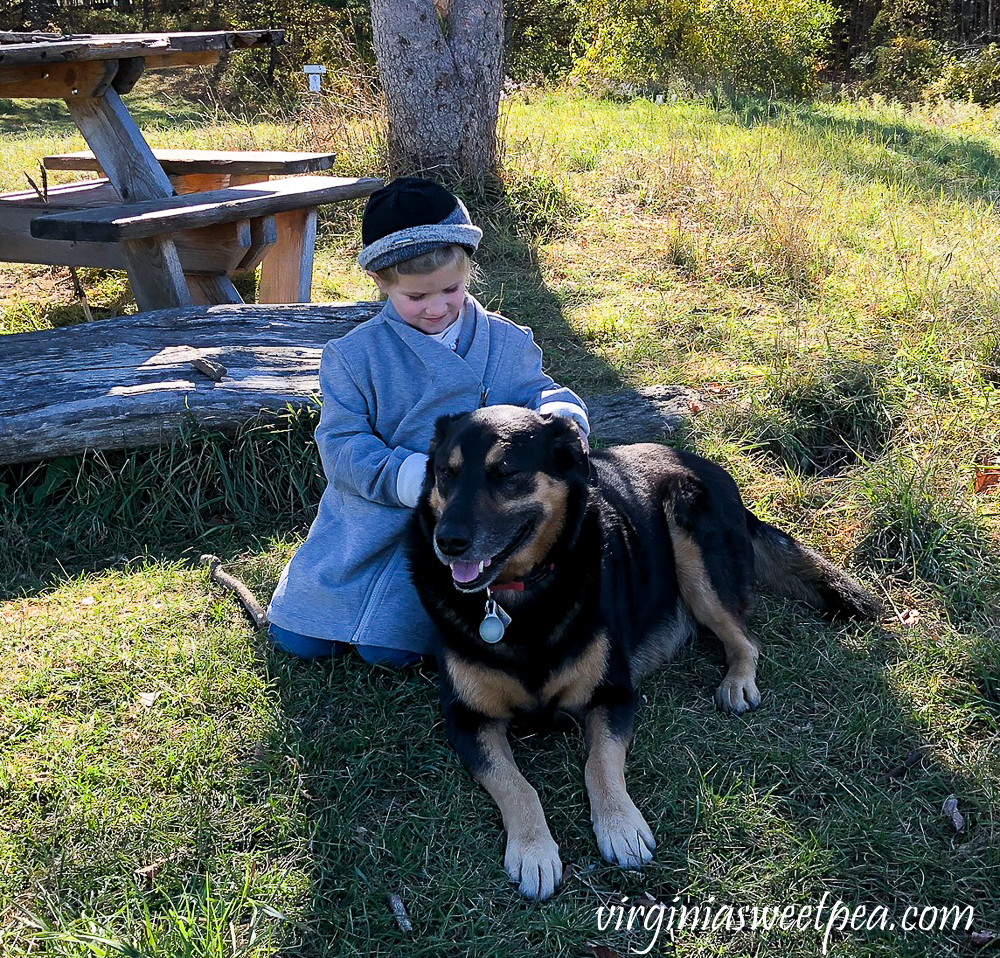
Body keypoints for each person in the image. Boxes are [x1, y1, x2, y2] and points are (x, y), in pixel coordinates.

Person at [267, 177, 590, 666]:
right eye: (416, 297)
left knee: (388, 649)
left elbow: (536, 391)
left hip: (460, 520)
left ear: (468, 274)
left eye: (451, 289)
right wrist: (409, 475)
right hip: (365, 521)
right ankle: (321, 601)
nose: (437, 308)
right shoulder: (355, 356)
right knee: (300, 638)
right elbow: (341, 441)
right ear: (381, 282)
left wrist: (558, 415)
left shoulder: (504, 342)